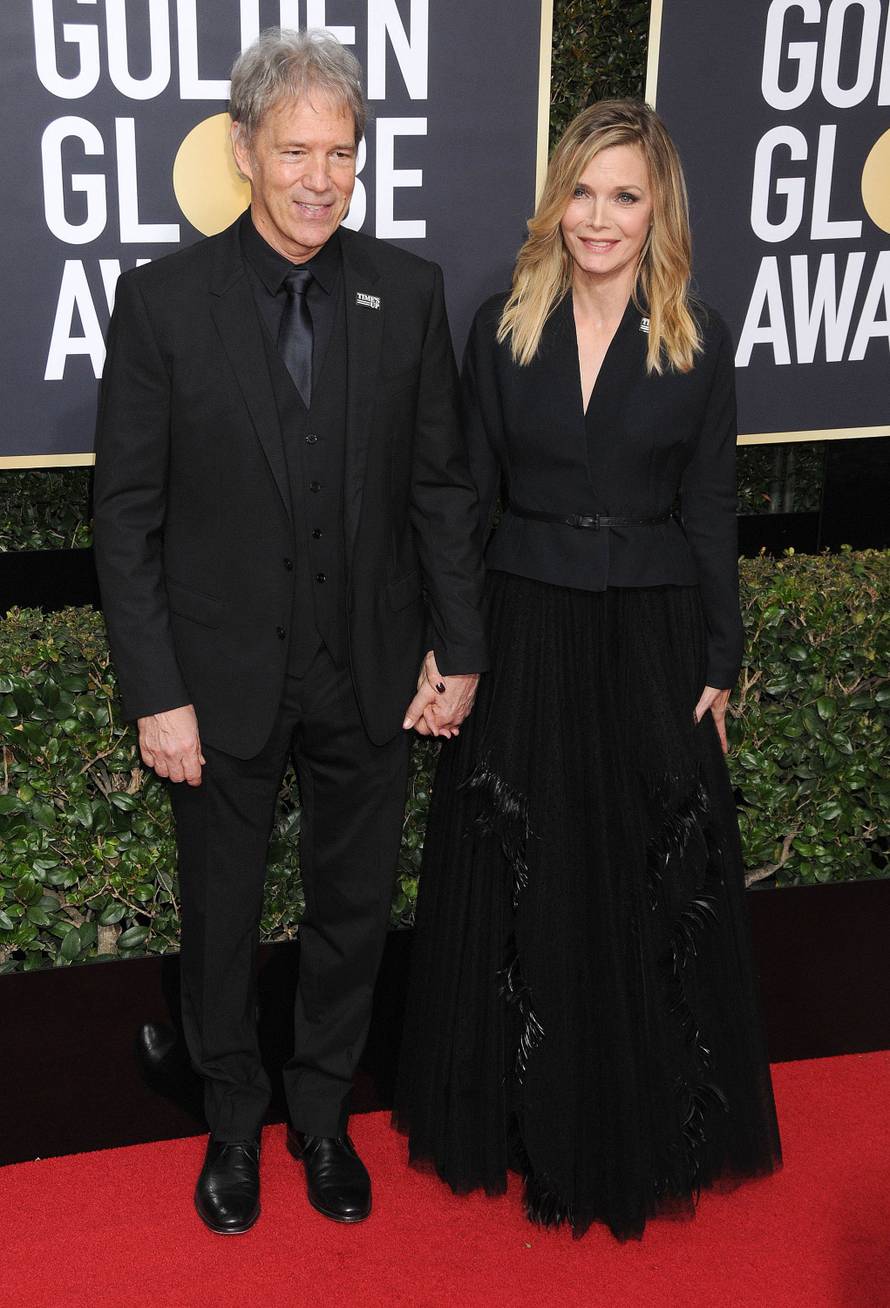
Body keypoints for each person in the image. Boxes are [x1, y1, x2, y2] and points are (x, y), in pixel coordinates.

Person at [93, 28, 486, 1235]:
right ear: (242, 152)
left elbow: (438, 491)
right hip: (216, 685)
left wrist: (458, 647)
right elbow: (126, 518)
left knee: (350, 908)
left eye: (341, 153)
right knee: (219, 915)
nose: (320, 177)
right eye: (295, 150)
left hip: (366, 674)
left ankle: (320, 1117)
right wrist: (156, 689)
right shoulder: (163, 303)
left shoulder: (406, 292)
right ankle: (229, 1123)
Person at [394, 99, 782, 1241]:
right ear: (554, 200)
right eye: (582, 192)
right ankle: (526, 1119)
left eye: (623, 195)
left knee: (644, 877)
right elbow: (463, 501)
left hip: (654, 634)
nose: (598, 217)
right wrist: (452, 640)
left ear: (653, 206)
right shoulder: (502, 328)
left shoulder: (696, 336)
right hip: (524, 625)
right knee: (530, 870)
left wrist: (721, 655)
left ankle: (649, 1119)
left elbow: (711, 510)